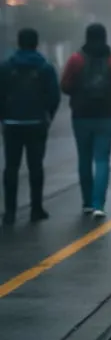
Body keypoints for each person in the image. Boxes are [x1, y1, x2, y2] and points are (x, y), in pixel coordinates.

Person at [60, 23, 111, 218]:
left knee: (84, 158)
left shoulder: (76, 59)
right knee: (102, 160)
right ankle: (99, 205)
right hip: (106, 115)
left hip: (81, 115)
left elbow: (64, 86)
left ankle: (87, 202)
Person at [0, 27, 60, 225]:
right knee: (36, 167)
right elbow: (54, 96)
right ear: (36, 43)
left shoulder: (6, 67)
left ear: (19, 43)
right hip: (36, 124)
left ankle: (10, 212)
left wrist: (4, 118)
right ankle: (36, 209)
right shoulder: (45, 67)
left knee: (11, 167)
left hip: (12, 124)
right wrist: (47, 116)